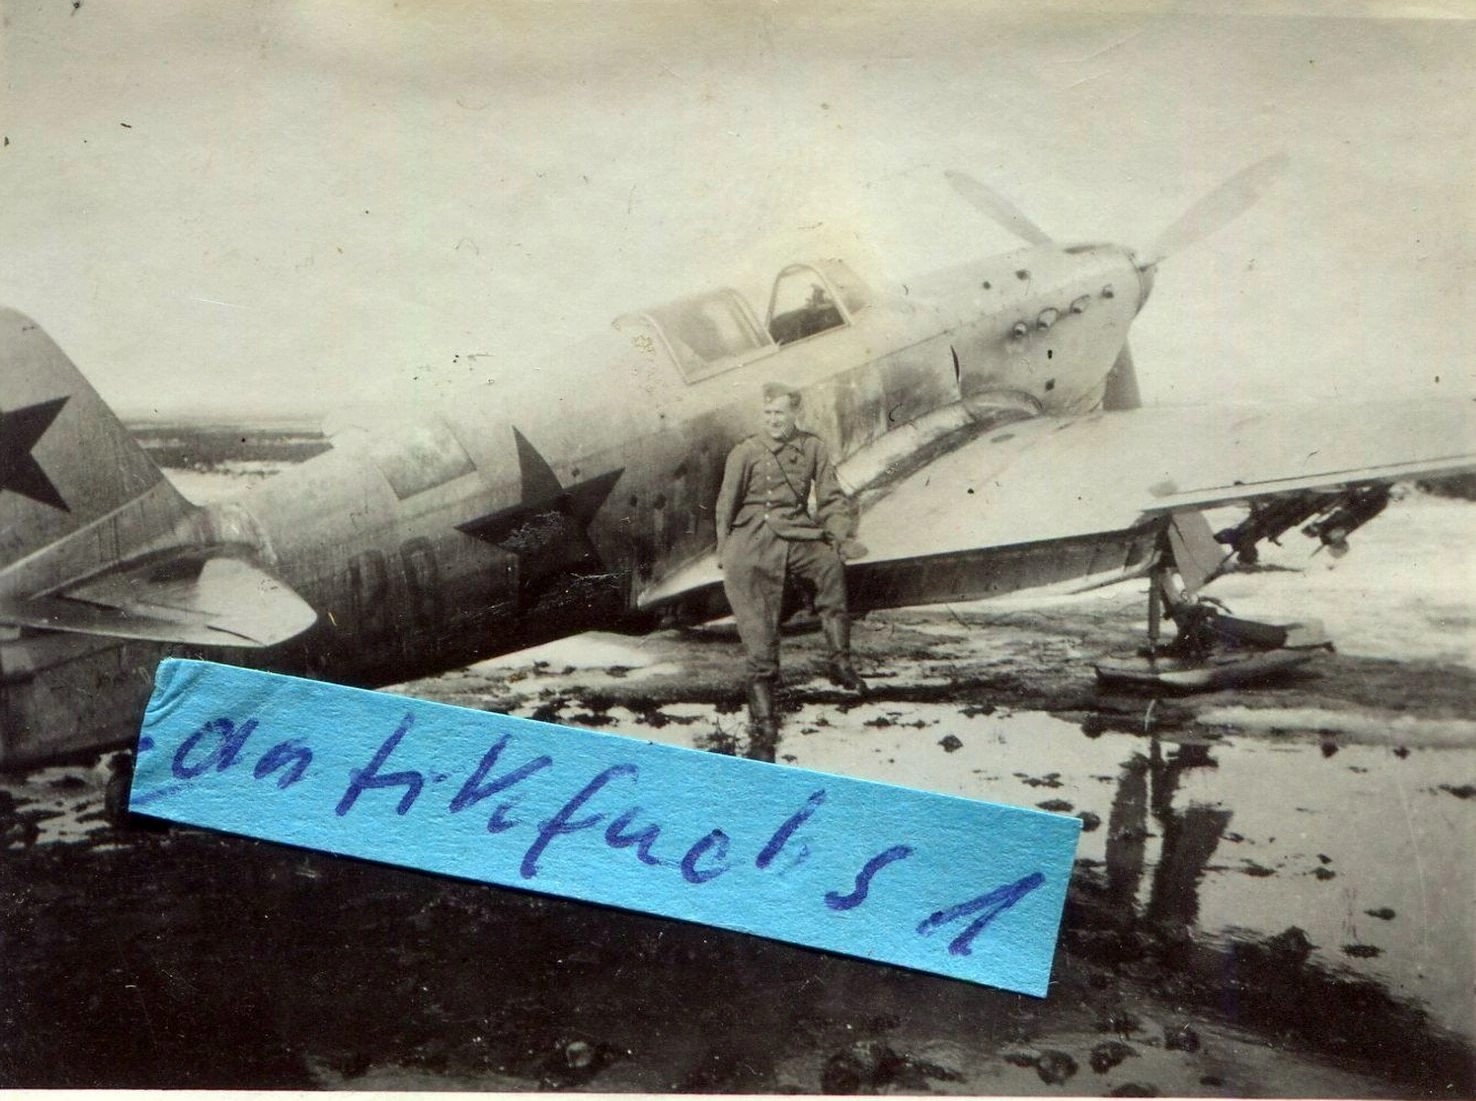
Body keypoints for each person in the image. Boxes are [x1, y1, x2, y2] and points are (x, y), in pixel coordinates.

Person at [715, 383, 866, 759]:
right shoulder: (745, 452)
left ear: (795, 414)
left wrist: (838, 535)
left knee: (829, 565)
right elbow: (725, 505)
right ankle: (764, 727)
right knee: (760, 637)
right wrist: (725, 550)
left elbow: (831, 497)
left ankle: (840, 660)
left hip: (797, 535)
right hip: (753, 541)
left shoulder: (812, 447)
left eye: (779, 413)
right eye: (767, 414)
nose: (773, 420)